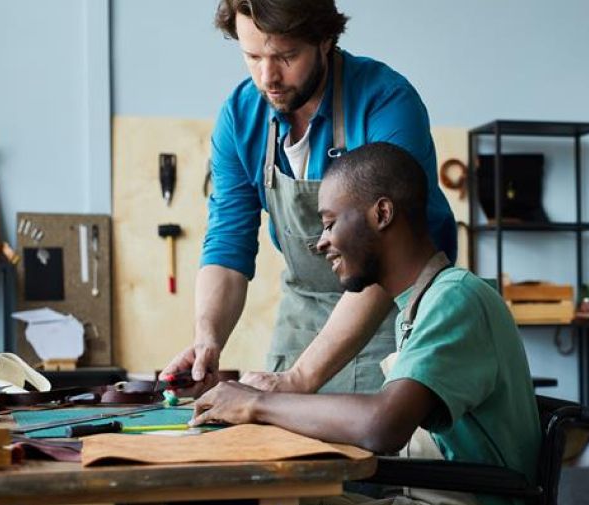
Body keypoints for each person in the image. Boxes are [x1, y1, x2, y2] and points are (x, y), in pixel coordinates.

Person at [190, 143, 541, 505]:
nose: (321, 242)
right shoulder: (420, 303)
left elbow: (382, 426)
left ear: (382, 214)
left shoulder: (455, 299)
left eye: (329, 223)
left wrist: (256, 405)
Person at [161, 0, 457, 396]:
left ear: (326, 39)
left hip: (397, 318)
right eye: (252, 56)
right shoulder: (240, 115)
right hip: (304, 320)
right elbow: (228, 242)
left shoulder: (386, 102)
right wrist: (207, 340)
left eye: (286, 56)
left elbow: (387, 254)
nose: (268, 77)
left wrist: (300, 381)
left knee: (379, 452)